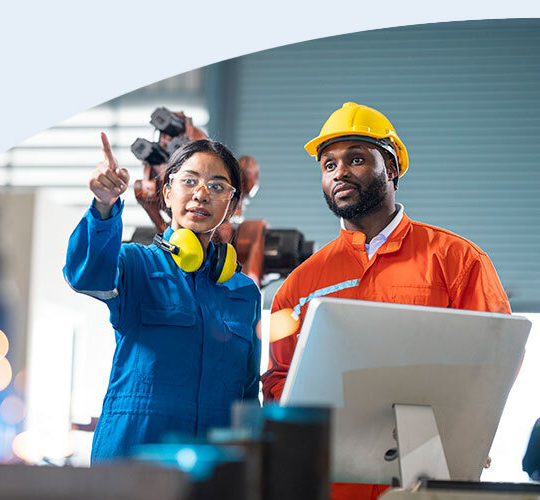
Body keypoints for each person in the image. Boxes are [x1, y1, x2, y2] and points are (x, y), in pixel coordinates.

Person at [260, 102, 511, 500]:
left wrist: (471, 433)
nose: (339, 172)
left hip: (430, 475)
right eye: (328, 165)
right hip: (334, 481)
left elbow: (493, 362)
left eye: (356, 158)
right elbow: (278, 380)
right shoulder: (299, 285)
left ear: (391, 168)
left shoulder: (458, 261)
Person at [64, 133, 262, 463]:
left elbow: (247, 395)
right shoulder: (135, 265)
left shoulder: (243, 293)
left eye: (217, 186)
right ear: (167, 194)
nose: (201, 193)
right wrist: (103, 206)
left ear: (231, 204)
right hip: (133, 461)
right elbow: (85, 275)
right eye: (190, 181)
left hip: (213, 468)